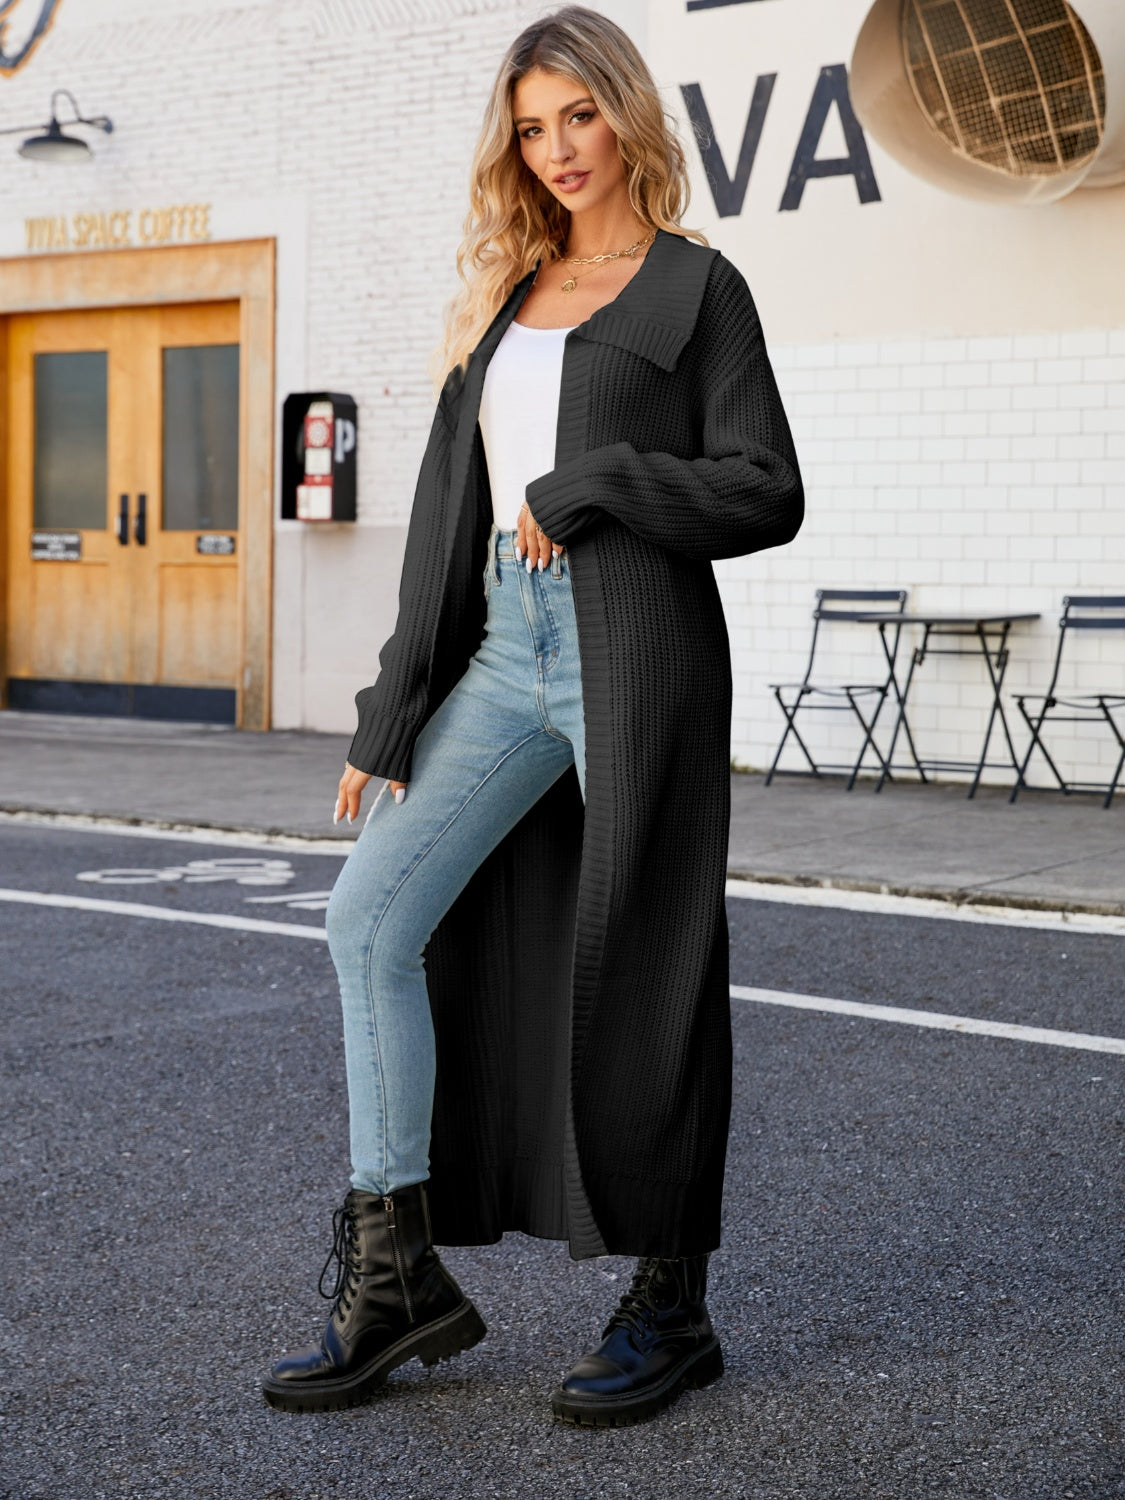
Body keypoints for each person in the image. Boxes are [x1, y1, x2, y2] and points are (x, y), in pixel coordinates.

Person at [262, 3, 803, 1428]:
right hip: (507, 650)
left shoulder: (694, 287)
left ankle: (670, 1304)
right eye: (530, 127)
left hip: (641, 647)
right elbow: (445, 524)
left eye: (578, 115)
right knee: (369, 920)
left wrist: (600, 481)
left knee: (652, 960)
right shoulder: (505, 296)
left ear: (623, 112)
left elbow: (766, 488)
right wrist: (389, 712)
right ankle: (396, 1278)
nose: (558, 148)